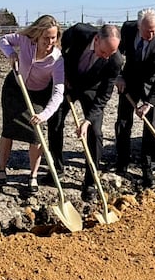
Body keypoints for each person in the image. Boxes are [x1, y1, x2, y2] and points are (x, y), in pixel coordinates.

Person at [46, 23, 123, 202]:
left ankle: (90, 181)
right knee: (55, 122)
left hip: (92, 89)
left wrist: (88, 121)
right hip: (67, 82)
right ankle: (56, 168)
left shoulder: (115, 60)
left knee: (95, 133)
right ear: (96, 39)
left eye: (110, 54)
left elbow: (105, 95)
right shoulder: (79, 33)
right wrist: (60, 73)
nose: (106, 57)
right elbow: (60, 48)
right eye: (104, 52)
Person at [0, 14, 65, 193]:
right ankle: (2, 170)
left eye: (53, 38)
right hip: (15, 88)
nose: (50, 42)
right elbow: (2, 40)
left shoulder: (57, 59)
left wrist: (44, 115)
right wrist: (11, 53)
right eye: (46, 38)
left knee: (36, 135)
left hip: (37, 95)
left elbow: (58, 92)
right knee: (8, 130)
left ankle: (33, 176)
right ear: (37, 35)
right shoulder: (25, 40)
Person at [114, 8, 155, 188]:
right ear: (139, 26)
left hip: (153, 84)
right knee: (123, 121)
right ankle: (122, 160)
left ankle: (149, 165)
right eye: (147, 30)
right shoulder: (128, 29)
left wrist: (149, 102)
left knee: (152, 125)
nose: (151, 33)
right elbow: (116, 52)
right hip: (129, 80)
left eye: (154, 29)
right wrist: (119, 75)